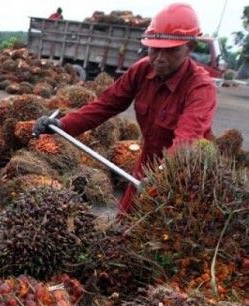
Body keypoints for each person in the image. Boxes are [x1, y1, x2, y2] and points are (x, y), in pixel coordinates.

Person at [33, 3, 217, 214]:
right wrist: (62, 124)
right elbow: (105, 105)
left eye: (170, 51)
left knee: (165, 234)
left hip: (186, 173)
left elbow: (187, 140)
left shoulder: (201, 88)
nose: (159, 58)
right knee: (123, 229)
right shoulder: (141, 70)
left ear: (190, 47)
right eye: (154, 49)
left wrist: (164, 177)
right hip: (147, 162)